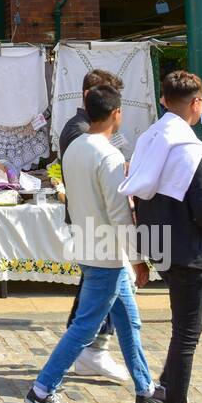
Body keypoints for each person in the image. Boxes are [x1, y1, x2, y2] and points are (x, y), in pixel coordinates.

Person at [24, 86, 164, 403]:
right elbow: (119, 214)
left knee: (128, 322)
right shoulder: (109, 155)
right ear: (116, 113)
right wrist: (137, 257)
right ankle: (42, 389)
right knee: (86, 326)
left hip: (89, 243)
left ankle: (145, 386)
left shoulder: (76, 149)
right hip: (107, 251)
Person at [120, 70, 202, 403]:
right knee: (186, 335)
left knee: (198, 315)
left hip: (161, 244)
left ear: (163, 100)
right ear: (196, 105)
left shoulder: (150, 138)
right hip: (188, 250)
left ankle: (164, 388)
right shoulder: (190, 148)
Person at [56, 69, 133, 383]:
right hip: (96, 224)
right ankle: (48, 383)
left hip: (96, 224)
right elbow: (94, 184)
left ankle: (138, 380)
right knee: (93, 303)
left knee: (101, 296)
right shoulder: (81, 132)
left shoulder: (85, 130)